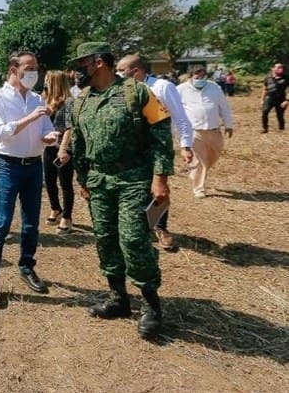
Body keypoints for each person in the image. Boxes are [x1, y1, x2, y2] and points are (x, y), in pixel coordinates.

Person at [71, 42, 174, 339]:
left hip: (134, 180)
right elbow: (78, 143)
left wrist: (160, 178)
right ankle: (118, 299)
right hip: (99, 182)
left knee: (133, 239)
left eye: (84, 63)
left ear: (99, 62)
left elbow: (161, 136)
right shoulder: (82, 101)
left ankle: (151, 305)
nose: (80, 70)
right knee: (105, 239)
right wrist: (82, 180)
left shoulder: (138, 92)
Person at [0, 50, 57, 302]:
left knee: (30, 222)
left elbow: (46, 128)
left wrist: (49, 136)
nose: (34, 72)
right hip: (9, 166)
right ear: (13, 70)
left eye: (36, 67)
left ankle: (26, 266)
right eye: (29, 67)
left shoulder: (37, 98)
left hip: (34, 166)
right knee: (2, 222)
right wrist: (29, 118)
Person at [116, 54, 193, 251]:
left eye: (121, 70)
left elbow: (180, 117)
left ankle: (161, 228)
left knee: (158, 188)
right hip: (131, 148)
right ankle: (142, 226)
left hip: (156, 146)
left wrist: (185, 145)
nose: (117, 74)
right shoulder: (121, 89)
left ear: (136, 71)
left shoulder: (162, 87)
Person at [177, 66, 235, 198]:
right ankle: (199, 189)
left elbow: (224, 106)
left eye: (203, 77)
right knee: (201, 161)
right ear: (190, 76)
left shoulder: (214, 87)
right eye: (197, 77)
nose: (200, 79)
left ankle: (194, 172)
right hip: (195, 131)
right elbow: (176, 111)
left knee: (213, 157)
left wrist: (228, 124)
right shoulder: (181, 89)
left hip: (214, 129)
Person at [41, 70, 75, 234]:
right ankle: (55, 208)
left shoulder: (68, 102)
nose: (45, 81)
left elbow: (70, 127)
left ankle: (67, 217)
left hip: (63, 147)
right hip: (49, 147)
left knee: (65, 183)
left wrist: (64, 148)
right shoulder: (45, 99)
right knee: (49, 180)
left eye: (48, 79)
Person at [260, 63, 287, 133]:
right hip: (269, 98)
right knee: (264, 112)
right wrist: (262, 99)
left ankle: (281, 128)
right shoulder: (267, 78)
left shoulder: (286, 78)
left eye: (281, 68)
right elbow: (265, 89)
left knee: (280, 115)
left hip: (281, 99)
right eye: (278, 67)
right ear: (273, 68)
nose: (280, 69)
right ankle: (264, 128)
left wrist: (287, 100)